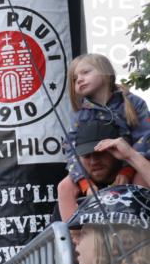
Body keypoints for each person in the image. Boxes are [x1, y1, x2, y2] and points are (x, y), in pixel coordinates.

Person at [57, 53, 150, 223]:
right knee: (64, 187)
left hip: (130, 166)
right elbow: (70, 151)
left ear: (106, 72)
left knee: (141, 179)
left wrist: (127, 171)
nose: (79, 79)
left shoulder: (133, 103)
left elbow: (145, 138)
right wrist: (84, 182)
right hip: (91, 174)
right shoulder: (79, 115)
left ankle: (139, 227)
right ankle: (75, 240)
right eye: (75, 78)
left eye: (85, 72)